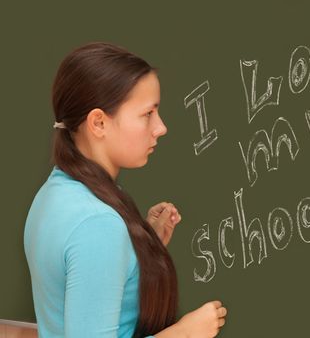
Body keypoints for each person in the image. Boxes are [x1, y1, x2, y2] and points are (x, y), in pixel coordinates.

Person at [23, 42, 227, 338]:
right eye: (147, 114)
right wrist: (185, 334)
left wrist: (138, 249)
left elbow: (80, 286)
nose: (161, 127)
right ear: (99, 123)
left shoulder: (55, 192)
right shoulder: (98, 224)